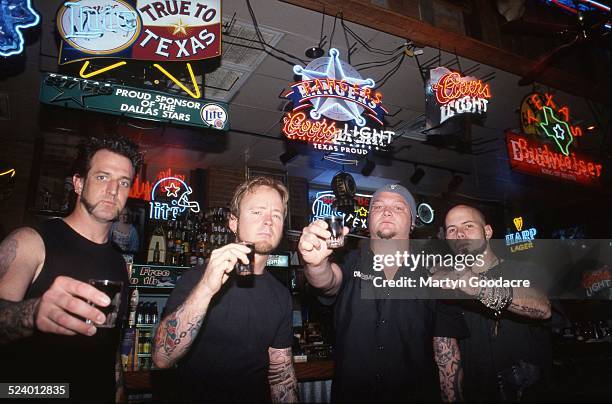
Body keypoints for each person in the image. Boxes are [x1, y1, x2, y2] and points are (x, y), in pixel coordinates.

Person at [0, 136, 142, 402]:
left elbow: (109, 339)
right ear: (78, 183)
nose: (113, 190)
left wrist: (118, 387)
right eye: (102, 177)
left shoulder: (118, 262)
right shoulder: (30, 241)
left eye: (123, 182)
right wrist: (33, 312)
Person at [298, 183, 467, 402]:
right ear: (368, 220)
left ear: (413, 222)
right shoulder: (349, 263)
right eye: (377, 207)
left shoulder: (434, 273)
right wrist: (316, 264)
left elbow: (447, 355)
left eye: (398, 207)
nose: (386, 211)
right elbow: (327, 281)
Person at [152, 176, 298, 403]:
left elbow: (281, 376)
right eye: (257, 212)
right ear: (233, 222)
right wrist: (206, 289)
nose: (268, 221)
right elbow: (162, 357)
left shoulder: (280, 295)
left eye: (276, 215)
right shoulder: (196, 280)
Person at [435, 204, 552, 401]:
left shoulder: (523, 270)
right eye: (452, 230)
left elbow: (543, 308)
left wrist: (477, 286)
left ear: (487, 231)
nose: (459, 234)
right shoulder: (446, 289)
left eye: (468, 226)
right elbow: (446, 358)